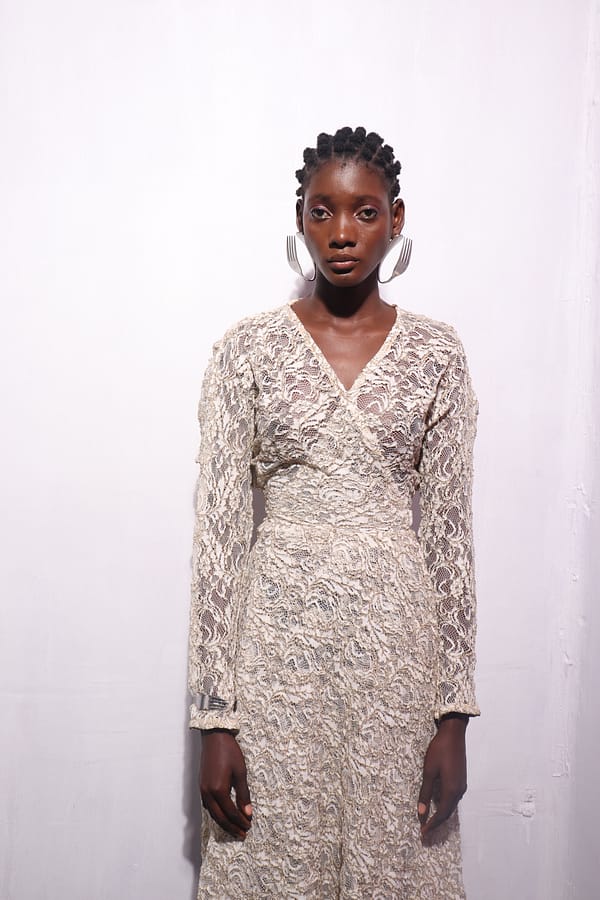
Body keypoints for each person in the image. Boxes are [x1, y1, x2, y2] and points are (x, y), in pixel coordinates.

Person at [188, 126, 479, 899]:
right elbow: (219, 540)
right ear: (301, 219)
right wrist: (215, 720)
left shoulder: (437, 355)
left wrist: (453, 715)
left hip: (397, 659)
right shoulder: (246, 351)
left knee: (394, 866)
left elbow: (451, 541)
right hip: (277, 652)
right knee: (271, 862)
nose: (342, 232)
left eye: (364, 212)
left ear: (396, 218)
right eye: (322, 212)